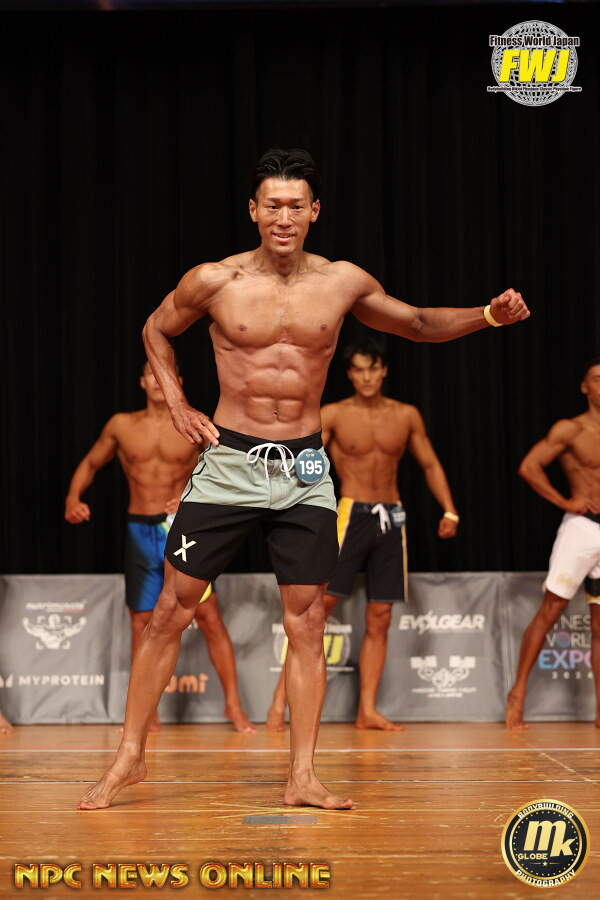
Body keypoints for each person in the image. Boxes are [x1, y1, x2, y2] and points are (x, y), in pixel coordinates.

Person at [78, 148, 529, 813]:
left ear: (314, 211)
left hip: (305, 469)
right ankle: (130, 757)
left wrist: (486, 316)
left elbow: (415, 323)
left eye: (296, 205)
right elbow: (156, 327)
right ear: (253, 210)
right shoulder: (215, 280)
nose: (283, 217)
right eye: (273, 205)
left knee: (310, 619)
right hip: (229, 461)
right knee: (172, 609)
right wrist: (176, 400)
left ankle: (303, 776)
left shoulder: (342, 282)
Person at [266, 337, 458, 733]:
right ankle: (277, 705)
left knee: (381, 616)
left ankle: (367, 710)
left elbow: (429, 463)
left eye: (373, 368)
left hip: (392, 517)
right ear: (350, 375)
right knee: (314, 611)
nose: (366, 377)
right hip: (349, 514)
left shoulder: (406, 415)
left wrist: (450, 509)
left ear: (383, 371)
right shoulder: (335, 414)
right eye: (358, 370)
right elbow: (305, 463)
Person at [65, 361, 255, 734]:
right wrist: (73, 497)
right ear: (141, 382)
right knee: (141, 622)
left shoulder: (193, 425)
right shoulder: (121, 425)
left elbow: (228, 470)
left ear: (177, 381)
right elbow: (90, 463)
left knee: (208, 617)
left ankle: (234, 706)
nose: (156, 380)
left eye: (163, 374)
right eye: (150, 374)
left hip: (181, 529)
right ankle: (146, 712)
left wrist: (189, 494)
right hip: (139, 530)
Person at [506, 358, 600, 729]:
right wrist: (564, 501)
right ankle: (517, 695)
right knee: (550, 610)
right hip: (581, 529)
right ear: (584, 387)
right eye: (598, 379)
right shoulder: (570, 429)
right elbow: (529, 466)